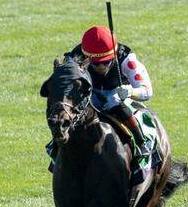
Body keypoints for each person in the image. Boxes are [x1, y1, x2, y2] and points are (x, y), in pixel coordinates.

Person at [59, 26, 154, 168]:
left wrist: (130, 91)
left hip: (117, 93)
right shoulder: (74, 58)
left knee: (114, 101)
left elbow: (147, 91)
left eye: (106, 61)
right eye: (96, 63)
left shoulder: (127, 59)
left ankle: (141, 143)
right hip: (89, 92)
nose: (101, 67)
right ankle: (57, 148)